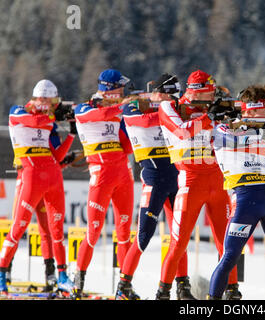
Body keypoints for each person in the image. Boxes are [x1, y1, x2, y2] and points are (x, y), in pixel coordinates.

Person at [207, 84, 265, 300]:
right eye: (264, 109)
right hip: (244, 197)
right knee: (229, 256)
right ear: (249, 110)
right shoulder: (223, 128)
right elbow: (235, 140)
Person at [156, 69, 239, 300]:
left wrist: (233, 119)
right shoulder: (170, 107)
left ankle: (232, 292)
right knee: (179, 242)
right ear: (198, 92)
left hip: (219, 180)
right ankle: (163, 292)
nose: (213, 97)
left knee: (228, 243)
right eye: (209, 93)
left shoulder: (213, 109)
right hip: (190, 181)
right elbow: (182, 132)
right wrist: (207, 117)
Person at [116, 73, 194, 300]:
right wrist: (170, 112)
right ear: (157, 94)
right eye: (169, 95)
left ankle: (182, 287)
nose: (172, 99)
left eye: (175, 95)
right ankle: (123, 287)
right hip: (153, 180)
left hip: (175, 178)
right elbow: (142, 121)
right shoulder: (134, 107)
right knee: (143, 237)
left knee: (180, 238)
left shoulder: (173, 109)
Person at [0, 79, 75, 295]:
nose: (53, 106)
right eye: (50, 102)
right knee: (18, 227)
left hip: (51, 175)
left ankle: (59, 275)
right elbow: (30, 121)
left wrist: (71, 134)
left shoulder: (47, 121)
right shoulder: (19, 111)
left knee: (55, 229)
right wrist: (52, 115)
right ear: (40, 99)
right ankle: (3, 272)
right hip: (29, 176)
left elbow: (56, 155)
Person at [70, 69, 135, 299]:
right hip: (101, 175)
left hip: (123, 174)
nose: (123, 92)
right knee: (93, 232)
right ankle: (77, 282)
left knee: (125, 234)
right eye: (120, 88)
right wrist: (121, 108)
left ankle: (124, 287)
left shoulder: (117, 112)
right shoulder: (84, 107)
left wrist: (127, 120)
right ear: (109, 88)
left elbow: (127, 147)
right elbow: (95, 116)